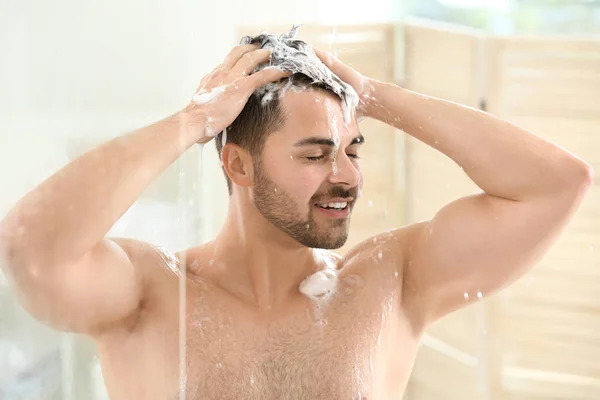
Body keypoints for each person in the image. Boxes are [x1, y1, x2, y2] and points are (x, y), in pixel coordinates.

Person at [0, 26, 593, 400]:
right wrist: (192, 123)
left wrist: (375, 96)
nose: (347, 176)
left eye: (351, 150)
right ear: (237, 165)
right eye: (315, 154)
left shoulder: (390, 282)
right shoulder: (150, 295)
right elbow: (29, 247)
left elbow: (556, 185)